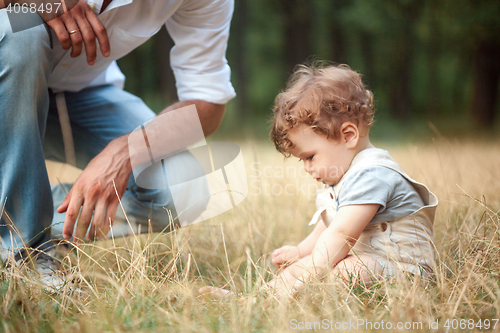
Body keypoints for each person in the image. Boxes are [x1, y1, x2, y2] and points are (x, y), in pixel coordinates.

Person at [0, 0, 235, 267]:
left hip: (82, 92)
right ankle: (25, 254)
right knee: (19, 30)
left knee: (183, 186)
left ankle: (26, 221)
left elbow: (207, 101)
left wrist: (126, 150)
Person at [200, 63, 437, 299]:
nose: (306, 168)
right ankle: (255, 300)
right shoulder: (340, 179)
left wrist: (312, 269)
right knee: (305, 267)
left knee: (346, 271)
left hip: (404, 271)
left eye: (310, 157)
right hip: (369, 262)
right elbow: (327, 229)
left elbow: (342, 234)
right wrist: (300, 252)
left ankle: (293, 296)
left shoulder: (372, 173)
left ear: (348, 136)